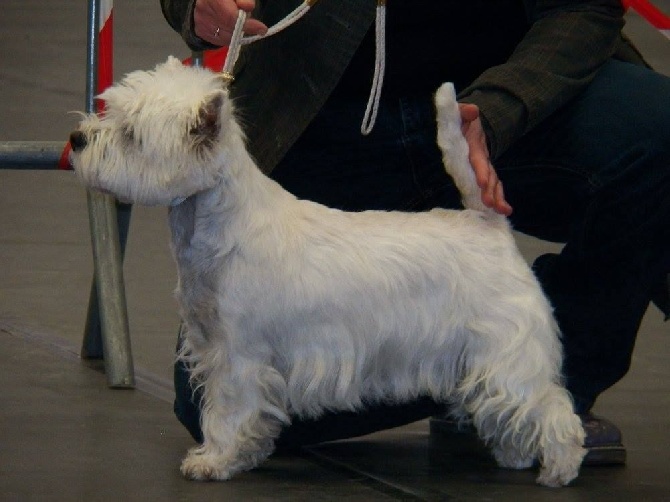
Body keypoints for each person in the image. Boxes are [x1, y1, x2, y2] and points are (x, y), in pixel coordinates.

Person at [160, 0, 670, 464]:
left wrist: (503, 105)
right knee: (214, 400)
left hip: (497, 98)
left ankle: (538, 384)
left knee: (656, 131)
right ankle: (476, 370)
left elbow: (584, 7)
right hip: (317, 115)